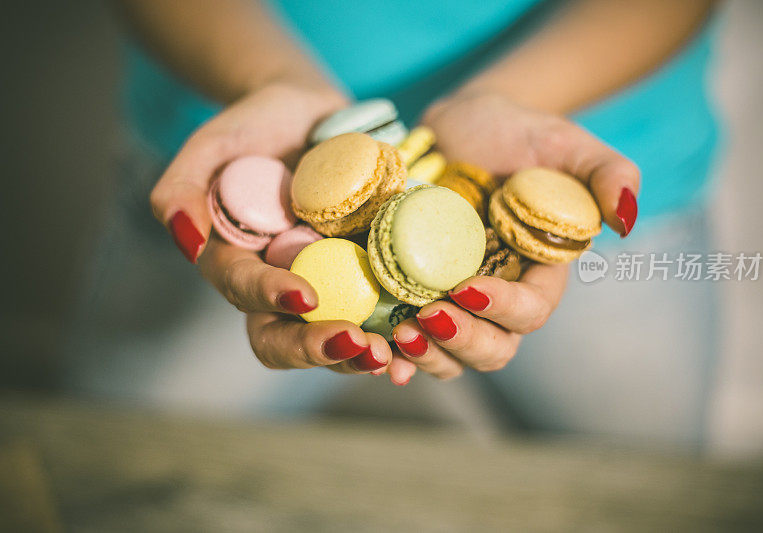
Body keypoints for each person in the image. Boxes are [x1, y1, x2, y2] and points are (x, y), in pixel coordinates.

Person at [66, 0, 721, 447]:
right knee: (128, 474)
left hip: (572, 167)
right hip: (231, 162)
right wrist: (266, 75)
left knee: (639, 492)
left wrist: (513, 98)